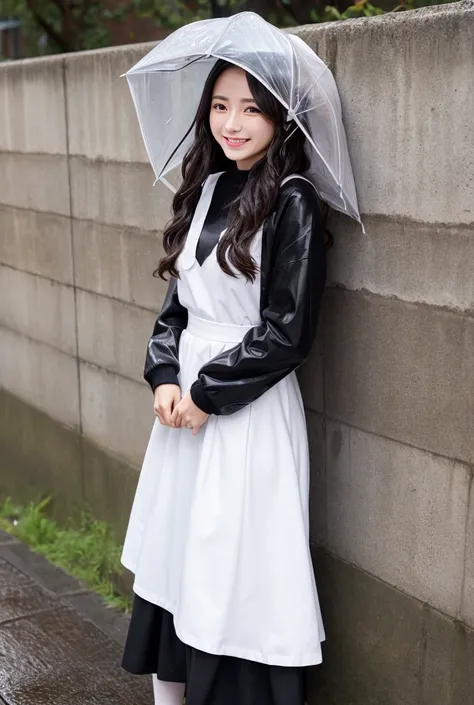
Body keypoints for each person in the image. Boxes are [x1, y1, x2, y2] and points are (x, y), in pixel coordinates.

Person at [120, 56, 328, 705]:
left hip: (245, 408)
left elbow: (288, 330)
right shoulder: (206, 188)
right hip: (182, 412)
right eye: (219, 106)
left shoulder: (295, 200)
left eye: (249, 107)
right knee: (178, 559)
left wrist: (209, 394)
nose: (231, 123)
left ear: (279, 115)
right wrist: (162, 374)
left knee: (234, 564)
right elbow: (176, 308)